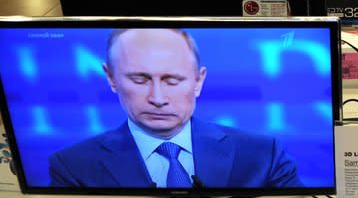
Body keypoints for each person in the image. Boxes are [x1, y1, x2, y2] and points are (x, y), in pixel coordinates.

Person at [48, 28, 302, 187]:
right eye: (140, 79)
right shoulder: (73, 166)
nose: (158, 98)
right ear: (111, 78)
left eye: (172, 80)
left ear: (198, 81)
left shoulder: (263, 154)